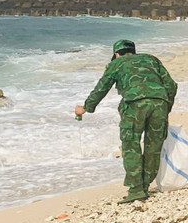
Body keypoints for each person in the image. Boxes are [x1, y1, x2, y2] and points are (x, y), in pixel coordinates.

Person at [74, 39, 178, 204]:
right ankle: (144, 185)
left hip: (134, 105)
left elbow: (102, 88)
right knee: (154, 146)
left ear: (116, 54)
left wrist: (86, 108)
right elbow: (171, 85)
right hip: (160, 103)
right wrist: (166, 107)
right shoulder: (151, 59)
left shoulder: (116, 63)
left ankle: (136, 190)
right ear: (133, 51)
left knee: (131, 145)